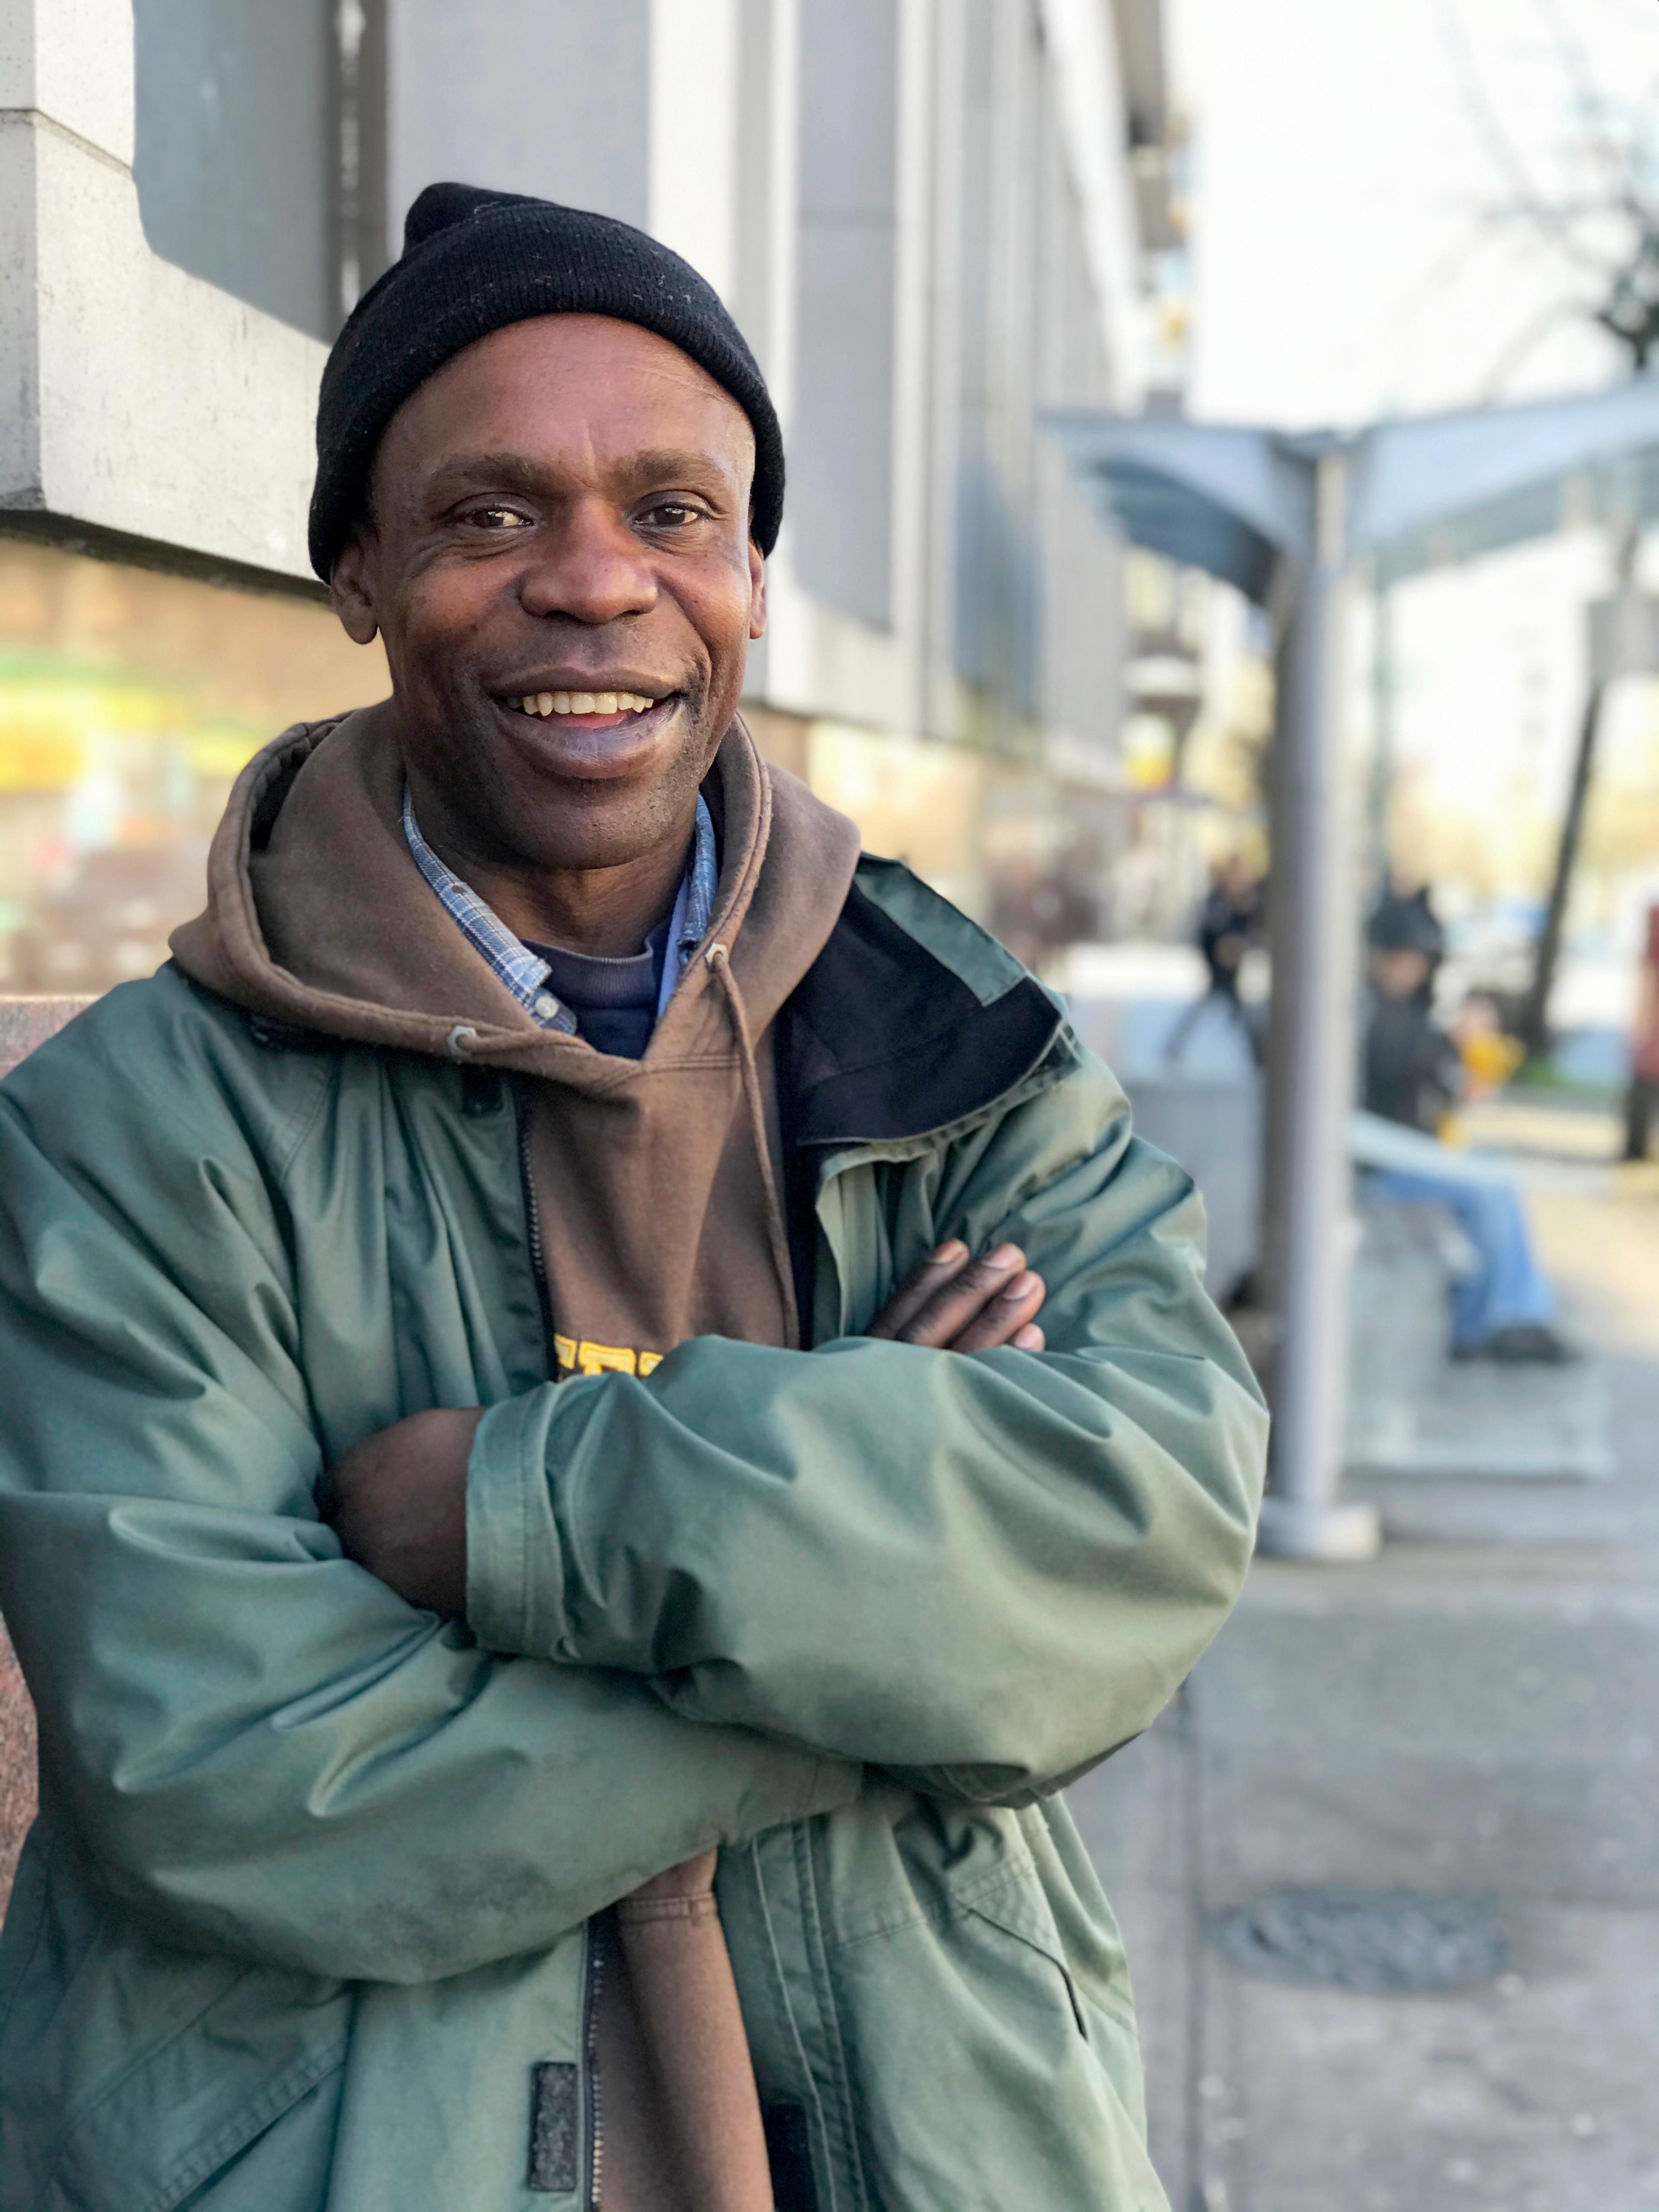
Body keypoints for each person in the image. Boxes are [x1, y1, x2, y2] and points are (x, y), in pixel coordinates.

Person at [0, 185, 1267, 2212]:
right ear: (357, 571)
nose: (595, 580)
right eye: (492, 513)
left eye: (674, 511)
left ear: (752, 570)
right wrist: (878, 1640)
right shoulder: (135, 1127)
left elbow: (1146, 1533)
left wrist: (520, 1508)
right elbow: (231, 1768)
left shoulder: (952, 1042)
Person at [1359, 887, 1573, 1364]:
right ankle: (1490, 1323)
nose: (1414, 971)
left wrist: (1453, 1065)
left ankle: (1516, 1315)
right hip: (1373, 1167)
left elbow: (1421, 1071)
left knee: (1495, 1175)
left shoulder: (1390, 1005)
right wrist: (1452, 1043)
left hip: (1391, 1154)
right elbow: (1399, 1058)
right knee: (1490, 1184)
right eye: (1407, 959)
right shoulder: (1367, 1006)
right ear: (1384, 955)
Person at [1164, 854, 1261, 1066]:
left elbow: (1248, 929)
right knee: (1230, 1011)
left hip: (1231, 970)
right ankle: (1174, 1047)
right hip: (1218, 969)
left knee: (1240, 1013)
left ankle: (1259, 1055)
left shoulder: (1239, 902)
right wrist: (1222, 950)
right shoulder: (1218, 902)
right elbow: (1209, 934)